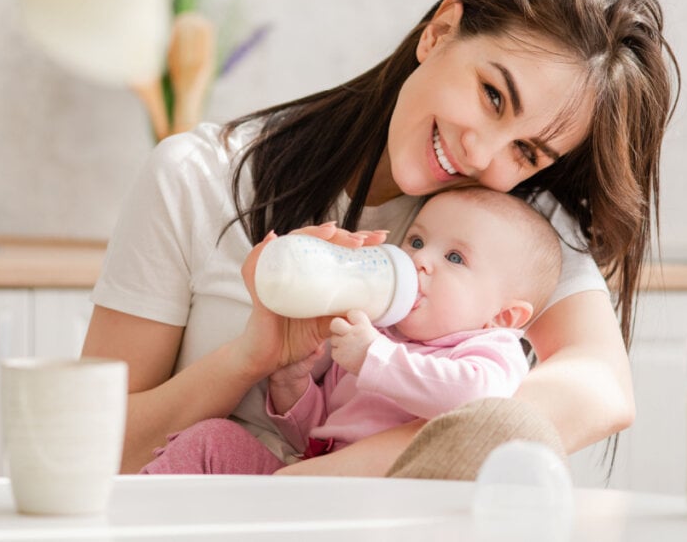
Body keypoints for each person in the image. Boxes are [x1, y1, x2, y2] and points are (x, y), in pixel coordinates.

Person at [83, 0, 679, 476]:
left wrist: (336, 479)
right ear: (440, 33)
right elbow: (88, 449)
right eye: (493, 95)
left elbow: (601, 389)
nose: (482, 153)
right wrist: (250, 359)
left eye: (526, 151)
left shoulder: (513, 224)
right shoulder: (198, 177)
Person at [139, 186, 562, 474]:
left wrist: (374, 357)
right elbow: (317, 431)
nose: (420, 261)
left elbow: (476, 401)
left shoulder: (489, 349)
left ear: (503, 317)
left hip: (385, 503)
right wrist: (293, 383)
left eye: (454, 258)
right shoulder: (378, 331)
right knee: (214, 439)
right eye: (416, 242)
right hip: (310, 479)